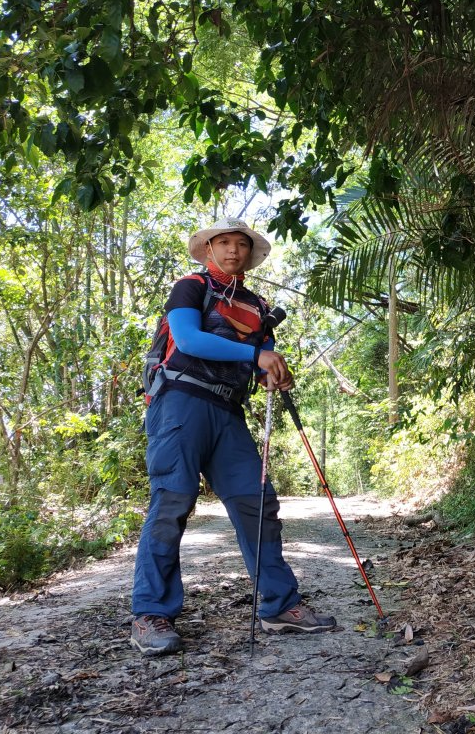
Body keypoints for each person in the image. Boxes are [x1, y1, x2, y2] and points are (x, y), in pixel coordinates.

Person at [131, 217, 335, 657]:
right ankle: (152, 612)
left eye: (240, 244)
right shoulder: (190, 286)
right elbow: (187, 340)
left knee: (256, 499)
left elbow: (256, 364)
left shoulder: (257, 307)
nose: (232, 250)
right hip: (180, 401)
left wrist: (272, 373)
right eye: (222, 242)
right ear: (208, 249)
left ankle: (280, 605)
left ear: (249, 253)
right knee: (172, 500)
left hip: (228, 410)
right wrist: (257, 355)